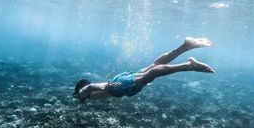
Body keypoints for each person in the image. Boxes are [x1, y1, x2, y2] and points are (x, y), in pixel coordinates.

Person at [74, 37, 214, 101]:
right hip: (119, 81)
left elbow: (89, 87)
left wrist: (107, 88)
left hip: (118, 87)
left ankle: (188, 65)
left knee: (153, 73)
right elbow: (92, 86)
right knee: (154, 65)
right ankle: (185, 46)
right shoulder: (90, 95)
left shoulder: (82, 95)